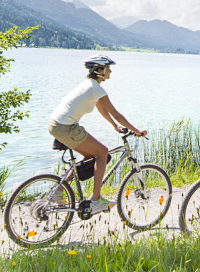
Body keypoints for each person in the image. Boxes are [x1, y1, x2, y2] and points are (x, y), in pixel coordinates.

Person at [48, 54, 146, 214]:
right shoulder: (95, 88)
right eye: (108, 68)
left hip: (57, 125)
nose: (111, 72)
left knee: (92, 156)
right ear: (99, 70)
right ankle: (96, 201)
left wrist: (114, 126)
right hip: (66, 127)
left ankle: (59, 191)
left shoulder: (90, 85)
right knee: (102, 152)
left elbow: (102, 109)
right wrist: (137, 131)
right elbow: (117, 114)